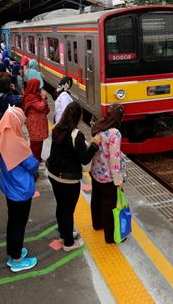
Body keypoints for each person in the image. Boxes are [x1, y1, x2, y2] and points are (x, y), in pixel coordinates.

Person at [0, 108, 38, 272]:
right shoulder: (15, 142)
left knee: (13, 221)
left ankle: (14, 250)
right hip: (21, 190)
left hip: (10, 188)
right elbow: (32, 165)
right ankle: (16, 259)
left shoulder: (2, 136)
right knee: (18, 224)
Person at [45, 102, 100, 251]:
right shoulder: (77, 135)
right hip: (68, 180)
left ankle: (64, 233)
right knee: (68, 210)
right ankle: (69, 243)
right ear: (77, 118)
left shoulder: (56, 127)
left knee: (61, 206)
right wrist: (94, 144)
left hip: (53, 174)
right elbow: (84, 159)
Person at [89, 105, 126, 244]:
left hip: (96, 172)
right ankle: (110, 237)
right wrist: (118, 180)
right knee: (109, 205)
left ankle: (97, 224)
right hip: (108, 176)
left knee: (96, 199)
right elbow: (114, 158)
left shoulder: (99, 126)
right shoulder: (114, 133)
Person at [21, 78, 49, 164]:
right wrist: (43, 98)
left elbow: (44, 108)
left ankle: (38, 158)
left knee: (40, 141)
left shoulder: (35, 95)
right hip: (34, 123)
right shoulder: (30, 97)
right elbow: (40, 106)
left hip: (40, 123)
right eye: (37, 86)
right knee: (35, 143)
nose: (39, 88)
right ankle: (34, 160)